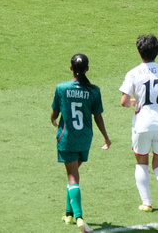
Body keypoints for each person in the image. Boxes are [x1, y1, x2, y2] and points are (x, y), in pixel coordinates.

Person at [52, 53, 112, 233]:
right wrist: (106, 137)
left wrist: (53, 120)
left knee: (73, 177)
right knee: (73, 175)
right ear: (87, 69)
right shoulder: (94, 90)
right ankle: (68, 214)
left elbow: (54, 112)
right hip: (85, 138)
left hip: (67, 138)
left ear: (71, 68)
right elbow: (98, 116)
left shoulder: (62, 88)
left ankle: (79, 218)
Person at [119, 34, 158, 213]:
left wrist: (134, 103)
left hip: (142, 124)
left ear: (139, 53)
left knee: (141, 163)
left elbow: (124, 101)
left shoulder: (133, 73)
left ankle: (147, 203)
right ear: (157, 51)